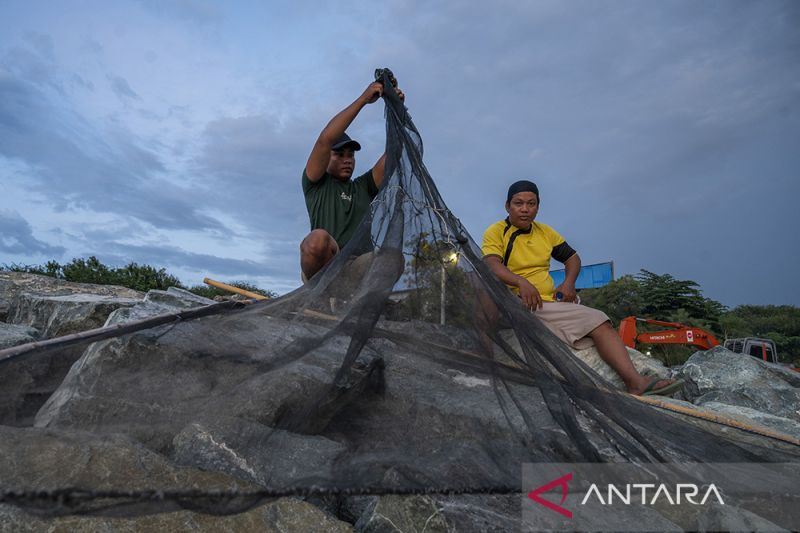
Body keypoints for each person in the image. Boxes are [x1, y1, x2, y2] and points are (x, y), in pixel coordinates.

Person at [481, 180, 683, 396]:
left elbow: (572, 258)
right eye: (518, 203)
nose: (525, 209)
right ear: (507, 206)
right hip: (511, 302)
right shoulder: (497, 231)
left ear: (538, 206)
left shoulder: (545, 232)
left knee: (600, 321)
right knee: (480, 285)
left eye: (531, 204)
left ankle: (636, 383)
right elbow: (492, 265)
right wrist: (520, 281)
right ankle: (485, 361)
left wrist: (569, 284)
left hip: (544, 304)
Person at [300, 80, 404, 282]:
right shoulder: (315, 183)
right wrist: (364, 99)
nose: (347, 160)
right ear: (327, 158)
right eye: (339, 155)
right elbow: (325, 140)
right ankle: (316, 294)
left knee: (393, 258)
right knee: (317, 238)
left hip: (357, 270)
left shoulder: (363, 186)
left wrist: (396, 110)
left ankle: (364, 303)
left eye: (351, 155)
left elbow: (393, 154)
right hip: (324, 270)